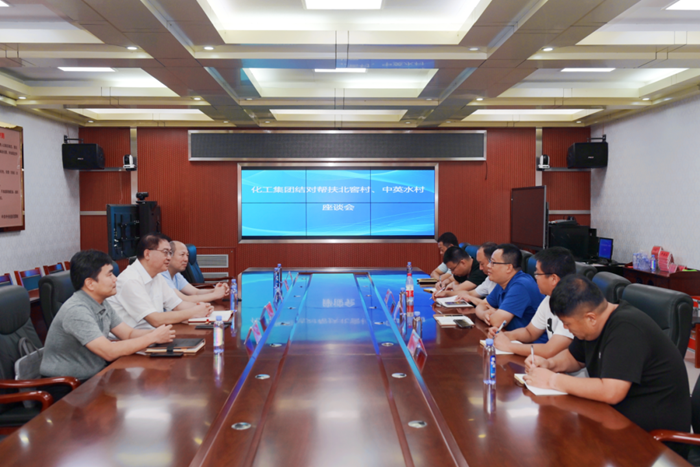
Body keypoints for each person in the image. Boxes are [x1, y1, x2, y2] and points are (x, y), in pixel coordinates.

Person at [524, 275, 691, 439]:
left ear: (590, 318)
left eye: (567, 323)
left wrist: (552, 380)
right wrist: (549, 364)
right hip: (614, 420)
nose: (566, 328)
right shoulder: (592, 326)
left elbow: (612, 391)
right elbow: (574, 358)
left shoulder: (626, 329)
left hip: (652, 439)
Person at [40, 250, 176, 390]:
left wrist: (160, 334)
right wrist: (152, 337)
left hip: (94, 376)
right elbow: (109, 352)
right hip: (67, 385)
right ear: (90, 284)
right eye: (109, 274)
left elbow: (128, 334)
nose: (115, 279)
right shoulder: (76, 310)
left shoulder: (101, 302)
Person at [107, 232, 213, 330]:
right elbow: (155, 319)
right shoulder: (130, 279)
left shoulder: (158, 276)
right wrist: (193, 312)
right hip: (132, 340)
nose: (169, 258)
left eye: (170, 253)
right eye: (165, 252)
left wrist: (204, 308)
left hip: (155, 335)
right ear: (147, 254)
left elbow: (177, 305)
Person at [487, 247, 575, 357]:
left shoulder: (573, 305)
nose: (535, 278)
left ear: (553, 279)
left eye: (538, 273)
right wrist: (504, 335)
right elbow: (530, 332)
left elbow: (550, 350)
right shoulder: (548, 299)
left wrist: (509, 346)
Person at [474, 243, 546, 342]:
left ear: (508, 267)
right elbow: (481, 305)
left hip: (531, 346)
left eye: (493, 262)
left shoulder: (521, 285)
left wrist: (495, 313)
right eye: (490, 261)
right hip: (511, 338)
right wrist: (484, 314)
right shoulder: (502, 282)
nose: (488, 266)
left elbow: (496, 322)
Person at [161, 241, 229, 303]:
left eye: (187, 255)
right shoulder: (162, 275)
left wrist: (216, 290)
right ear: (169, 256)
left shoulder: (176, 275)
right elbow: (184, 299)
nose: (186, 259)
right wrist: (215, 295)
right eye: (182, 254)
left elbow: (196, 292)